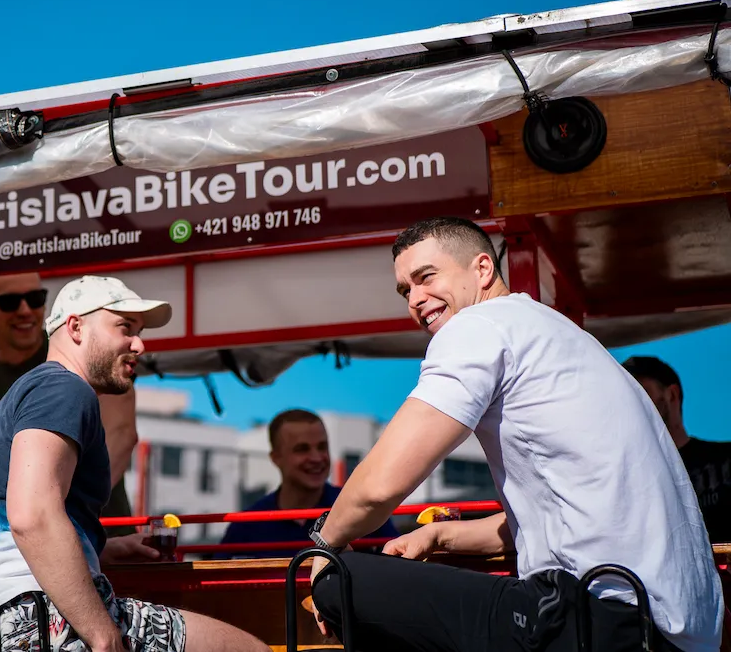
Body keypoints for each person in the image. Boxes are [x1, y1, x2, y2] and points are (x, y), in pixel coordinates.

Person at [305, 217, 722, 652]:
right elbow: (563, 508)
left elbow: (379, 486)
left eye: (426, 277)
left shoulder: (481, 326)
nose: (415, 299)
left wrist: (324, 543)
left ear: (482, 270)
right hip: (676, 633)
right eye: (405, 290)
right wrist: (440, 535)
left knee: (340, 582)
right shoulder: (562, 335)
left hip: (600, 616)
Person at [0, 275, 270, 652]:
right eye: (124, 327)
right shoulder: (64, 388)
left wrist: (100, 548)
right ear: (76, 326)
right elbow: (31, 516)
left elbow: (8, 521)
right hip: (37, 615)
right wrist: (100, 633)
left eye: (140, 331)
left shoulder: (36, 390)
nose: (140, 344)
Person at [0, 271, 137, 546]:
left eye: (35, 299)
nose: (25, 310)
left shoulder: (83, 359)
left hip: (98, 541)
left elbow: (122, 434)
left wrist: (43, 510)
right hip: (13, 547)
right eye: (10, 302)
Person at [217, 409, 397, 558]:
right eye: (302, 449)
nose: (316, 458)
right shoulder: (245, 527)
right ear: (276, 458)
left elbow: (397, 564)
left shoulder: (363, 509)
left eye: (322, 447)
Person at [622, 355, 731, 543]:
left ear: (672, 395)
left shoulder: (725, 459)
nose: (633, 405)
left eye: (641, 393)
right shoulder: (626, 477)